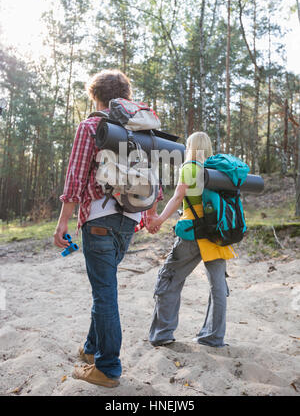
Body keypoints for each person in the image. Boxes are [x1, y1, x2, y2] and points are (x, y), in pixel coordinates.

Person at [54, 69, 161, 388]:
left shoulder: (91, 125)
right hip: (128, 219)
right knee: (106, 287)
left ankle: (108, 367)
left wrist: (63, 222)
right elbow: (155, 178)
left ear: (96, 97)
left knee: (104, 292)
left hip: (98, 218)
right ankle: (90, 351)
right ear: (125, 97)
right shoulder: (143, 129)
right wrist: (148, 215)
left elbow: (75, 178)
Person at [147, 132, 237, 348]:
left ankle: (163, 333)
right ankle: (214, 337)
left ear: (191, 147)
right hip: (217, 234)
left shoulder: (189, 167)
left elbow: (178, 197)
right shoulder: (218, 172)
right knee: (218, 286)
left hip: (193, 232)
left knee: (169, 278)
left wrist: (159, 219)